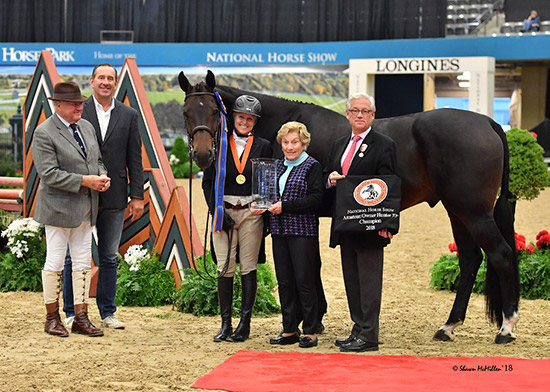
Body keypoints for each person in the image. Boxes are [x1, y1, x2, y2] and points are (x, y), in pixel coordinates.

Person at [63, 64, 144, 330]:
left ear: (115, 83)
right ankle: (71, 311)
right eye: (101, 78)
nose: (106, 82)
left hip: (116, 195)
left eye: (110, 78)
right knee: (74, 256)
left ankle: (108, 312)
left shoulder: (130, 115)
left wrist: (137, 196)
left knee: (109, 256)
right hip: (82, 194)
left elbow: (135, 157)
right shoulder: (79, 110)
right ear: (92, 81)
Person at [32, 81, 111, 337]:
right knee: (54, 262)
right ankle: (52, 317)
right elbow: (49, 174)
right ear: (58, 105)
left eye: (80, 103)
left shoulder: (86, 127)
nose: (80, 106)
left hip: (86, 207)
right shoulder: (44, 132)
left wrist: (101, 175)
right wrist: (86, 181)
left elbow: (97, 160)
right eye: (74, 103)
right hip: (58, 208)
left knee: (82, 263)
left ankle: (80, 317)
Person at [324, 92, 398, 352]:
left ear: (373, 115)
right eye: (354, 110)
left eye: (365, 111)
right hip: (346, 225)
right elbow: (328, 174)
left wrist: (387, 223)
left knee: (368, 282)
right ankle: (358, 328)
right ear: (347, 114)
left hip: (370, 225)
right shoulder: (339, 144)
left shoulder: (384, 144)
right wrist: (330, 178)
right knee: (352, 281)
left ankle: (369, 336)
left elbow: (387, 184)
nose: (359, 115)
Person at [202, 95, 272, 342]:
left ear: (255, 122)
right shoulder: (219, 143)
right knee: (224, 267)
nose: (244, 121)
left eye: (249, 119)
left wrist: (261, 205)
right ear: (233, 118)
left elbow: (268, 181)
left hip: (251, 214)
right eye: (241, 117)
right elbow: (208, 182)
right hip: (224, 211)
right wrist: (217, 211)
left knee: (248, 266)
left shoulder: (263, 145)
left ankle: (245, 323)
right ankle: (225, 324)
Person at [252, 121, 324, 348]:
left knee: (305, 281)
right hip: (279, 231)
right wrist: (261, 206)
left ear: (303, 143)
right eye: (285, 142)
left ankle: (311, 330)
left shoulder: (312, 166)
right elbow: (269, 196)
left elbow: (316, 199)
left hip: (303, 232)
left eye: (294, 142)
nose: (290, 146)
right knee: (284, 282)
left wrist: (286, 206)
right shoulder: (276, 167)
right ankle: (289, 329)